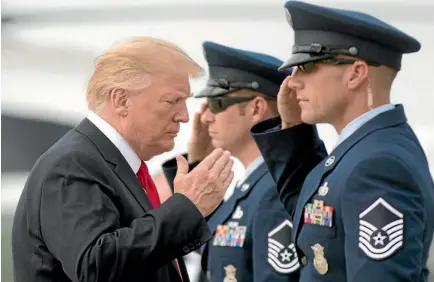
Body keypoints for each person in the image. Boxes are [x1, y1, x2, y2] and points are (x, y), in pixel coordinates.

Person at [11, 37, 235, 282]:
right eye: (172, 101)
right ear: (121, 100)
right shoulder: (73, 164)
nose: (183, 116)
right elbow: (96, 267)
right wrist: (186, 208)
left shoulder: (110, 164)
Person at [250, 1, 434, 281]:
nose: (293, 81)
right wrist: (292, 130)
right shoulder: (365, 149)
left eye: (306, 66)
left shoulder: (378, 164)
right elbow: (312, 211)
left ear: (356, 73)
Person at [162, 41, 325, 282]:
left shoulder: (275, 191)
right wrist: (197, 163)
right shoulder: (253, 184)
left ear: (256, 108)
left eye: (217, 104)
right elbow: (211, 245)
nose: (205, 117)